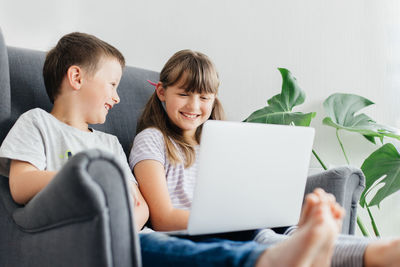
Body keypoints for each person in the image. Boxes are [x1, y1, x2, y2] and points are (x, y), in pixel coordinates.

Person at [0, 32, 344, 267]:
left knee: (179, 242)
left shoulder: (107, 143)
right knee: (165, 246)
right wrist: (86, 179)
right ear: (77, 78)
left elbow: (141, 207)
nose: (117, 97)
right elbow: (20, 184)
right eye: (112, 84)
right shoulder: (37, 123)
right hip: (83, 232)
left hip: (129, 231)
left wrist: (124, 219)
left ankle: (321, 249)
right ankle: (267, 260)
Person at [130, 49, 400, 267]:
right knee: (265, 237)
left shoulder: (221, 141)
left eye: (204, 97)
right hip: (195, 233)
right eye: (184, 94)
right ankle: (370, 255)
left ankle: (378, 248)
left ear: (214, 99)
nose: (194, 106)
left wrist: (251, 211)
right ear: (162, 92)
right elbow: (163, 218)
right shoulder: (152, 140)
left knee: (285, 232)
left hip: (239, 224)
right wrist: (228, 220)